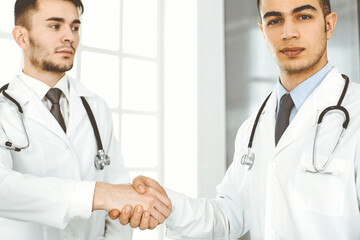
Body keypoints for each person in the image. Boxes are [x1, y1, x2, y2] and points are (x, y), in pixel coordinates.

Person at [113, 0, 360, 238]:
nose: (288, 32)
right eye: (274, 20)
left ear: (329, 25)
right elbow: (230, 217)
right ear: (262, 31)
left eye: (303, 16)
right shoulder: (251, 129)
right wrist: (167, 205)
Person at [0, 0, 171, 239]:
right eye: (55, 26)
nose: (69, 36)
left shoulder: (95, 107)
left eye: (75, 27)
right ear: (21, 37)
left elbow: (119, 204)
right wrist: (98, 194)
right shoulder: (3, 110)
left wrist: (128, 199)